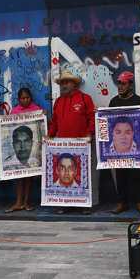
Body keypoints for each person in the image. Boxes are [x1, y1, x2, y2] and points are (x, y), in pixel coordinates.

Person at [46, 70, 95, 215]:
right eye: (62, 83)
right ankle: (65, 203)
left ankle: (85, 204)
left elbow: (91, 118)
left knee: (83, 174)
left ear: (74, 84)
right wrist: (49, 136)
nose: (64, 85)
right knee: (65, 174)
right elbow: (54, 122)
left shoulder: (85, 99)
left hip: (81, 144)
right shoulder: (58, 102)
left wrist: (88, 134)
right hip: (62, 145)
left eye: (67, 82)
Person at [108, 71, 140, 215]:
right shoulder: (113, 102)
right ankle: (122, 202)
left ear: (130, 85)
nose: (120, 86)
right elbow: (108, 122)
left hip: (135, 147)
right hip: (119, 149)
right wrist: (99, 115)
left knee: (139, 174)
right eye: (119, 83)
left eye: (123, 83)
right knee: (120, 174)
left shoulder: (139, 101)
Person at [7, 87, 43, 213]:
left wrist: (44, 116)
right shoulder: (14, 111)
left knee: (29, 176)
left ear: (31, 98)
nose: (25, 100)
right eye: (23, 98)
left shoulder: (37, 110)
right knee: (19, 176)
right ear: (19, 99)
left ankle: (26, 201)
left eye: (27, 97)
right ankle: (18, 202)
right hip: (19, 150)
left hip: (30, 149)